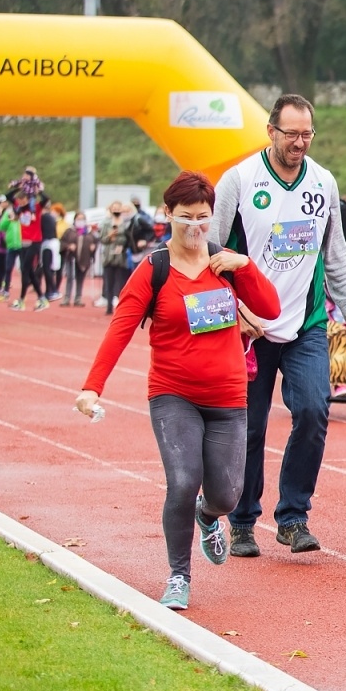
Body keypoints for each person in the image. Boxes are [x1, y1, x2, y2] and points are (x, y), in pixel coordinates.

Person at [76, 172, 282, 609]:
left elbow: (270, 309)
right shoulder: (155, 269)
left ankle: (208, 517)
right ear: (166, 214)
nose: (195, 227)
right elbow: (121, 329)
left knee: (226, 495)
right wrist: (92, 387)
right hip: (173, 393)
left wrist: (246, 266)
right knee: (183, 480)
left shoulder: (224, 263)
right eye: (185, 217)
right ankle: (178, 576)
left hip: (227, 396)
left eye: (203, 218)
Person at [209, 93, 346, 557]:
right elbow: (210, 250)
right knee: (251, 426)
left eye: (308, 134)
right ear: (271, 131)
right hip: (249, 327)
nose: (300, 142)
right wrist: (235, 312)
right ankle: (242, 521)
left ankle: (293, 517)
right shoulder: (239, 181)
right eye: (292, 134)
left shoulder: (322, 182)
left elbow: (335, 254)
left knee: (312, 410)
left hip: (307, 322)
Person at [99, 202, 130, 314]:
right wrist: (109, 236)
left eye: (118, 208)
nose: (116, 210)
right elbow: (102, 239)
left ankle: (121, 307)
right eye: (114, 208)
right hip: (108, 256)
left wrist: (121, 244)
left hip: (121, 256)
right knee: (109, 281)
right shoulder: (106, 223)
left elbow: (128, 239)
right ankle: (108, 306)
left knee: (121, 282)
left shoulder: (125, 223)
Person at [63, 210, 98, 306]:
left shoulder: (89, 232)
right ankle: (67, 297)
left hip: (84, 258)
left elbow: (95, 241)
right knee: (70, 277)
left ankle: (78, 298)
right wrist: (68, 246)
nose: (80, 221)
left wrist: (93, 247)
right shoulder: (70, 231)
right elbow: (62, 242)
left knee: (80, 278)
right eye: (78, 219)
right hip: (71, 258)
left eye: (82, 219)